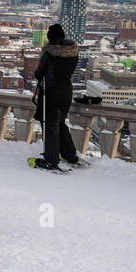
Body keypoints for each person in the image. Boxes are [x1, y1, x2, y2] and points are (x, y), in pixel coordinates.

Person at [33, 23, 83, 171]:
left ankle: (51, 160)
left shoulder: (50, 54)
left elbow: (39, 73)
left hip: (51, 94)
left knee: (50, 127)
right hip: (66, 93)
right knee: (60, 124)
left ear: (50, 38)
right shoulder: (73, 53)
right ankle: (70, 155)